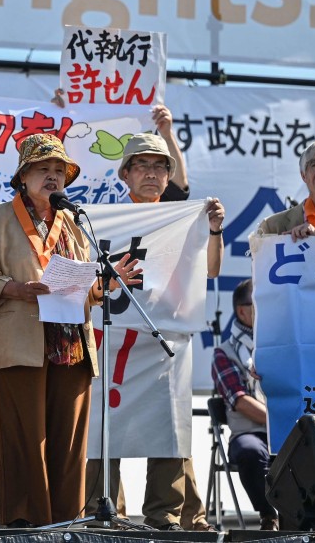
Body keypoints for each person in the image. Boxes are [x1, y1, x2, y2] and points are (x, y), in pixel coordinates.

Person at [0, 133, 142, 527]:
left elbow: (82, 288)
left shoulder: (75, 223)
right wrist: (17, 289)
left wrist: (107, 285)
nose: (53, 177)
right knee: (24, 443)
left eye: (59, 171)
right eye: (44, 169)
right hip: (18, 345)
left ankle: (67, 524)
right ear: (24, 176)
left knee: (69, 447)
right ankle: (25, 526)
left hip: (72, 346)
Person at [85, 122, 225, 531]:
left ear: (169, 174)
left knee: (168, 425)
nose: (150, 173)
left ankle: (164, 516)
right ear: (124, 173)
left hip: (166, 340)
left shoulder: (185, 218)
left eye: (159, 166)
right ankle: (104, 513)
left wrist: (214, 230)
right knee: (103, 425)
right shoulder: (99, 220)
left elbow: (212, 269)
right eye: (141, 165)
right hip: (111, 335)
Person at [211, 279, 278, 531]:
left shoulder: (279, 344)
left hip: (287, 430)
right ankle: (269, 515)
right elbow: (240, 401)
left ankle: (304, 517)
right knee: (250, 451)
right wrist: (279, 420)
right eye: (260, 305)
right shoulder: (224, 353)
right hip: (252, 431)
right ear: (242, 311)